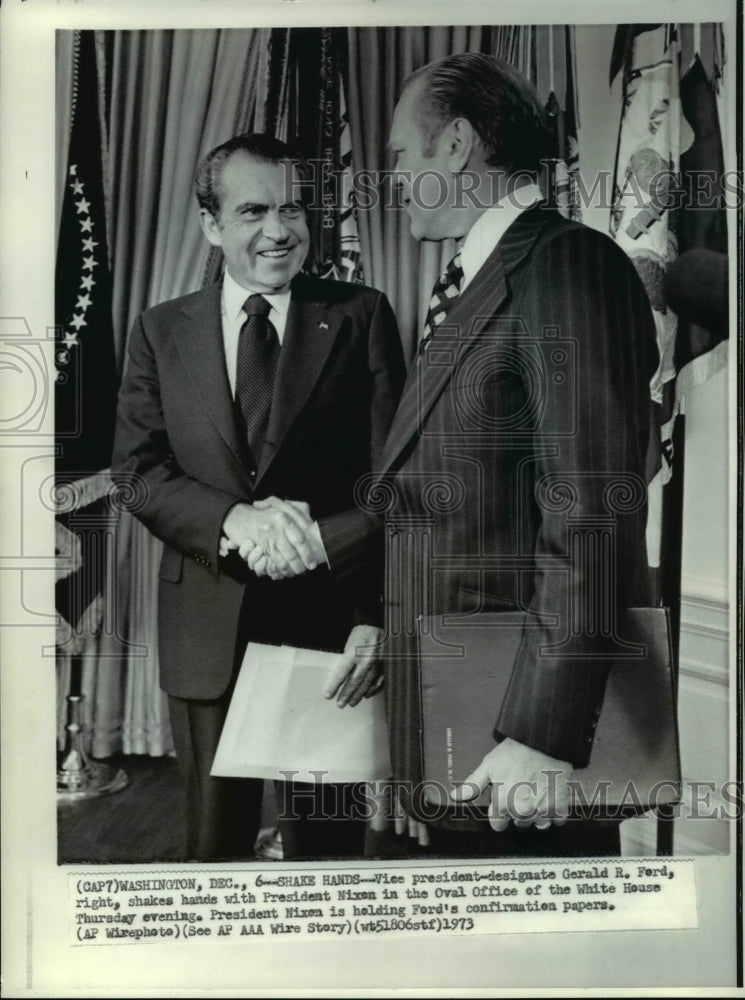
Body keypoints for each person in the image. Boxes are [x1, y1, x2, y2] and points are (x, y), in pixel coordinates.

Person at [261, 53, 658, 857]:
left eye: (403, 155)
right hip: (448, 701)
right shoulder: (475, 279)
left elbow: (590, 509)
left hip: (513, 734)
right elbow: (439, 493)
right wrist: (373, 613)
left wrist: (543, 734)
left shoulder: (566, 264)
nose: (394, 177)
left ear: (456, 145)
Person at [112, 133, 405, 861]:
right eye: (252, 212)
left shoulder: (362, 314)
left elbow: (393, 480)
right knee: (213, 851)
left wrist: (371, 618)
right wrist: (235, 520)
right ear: (211, 224)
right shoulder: (159, 330)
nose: (279, 230)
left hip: (329, 628)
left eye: (292, 208)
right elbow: (138, 473)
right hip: (206, 625)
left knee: (326, 854)